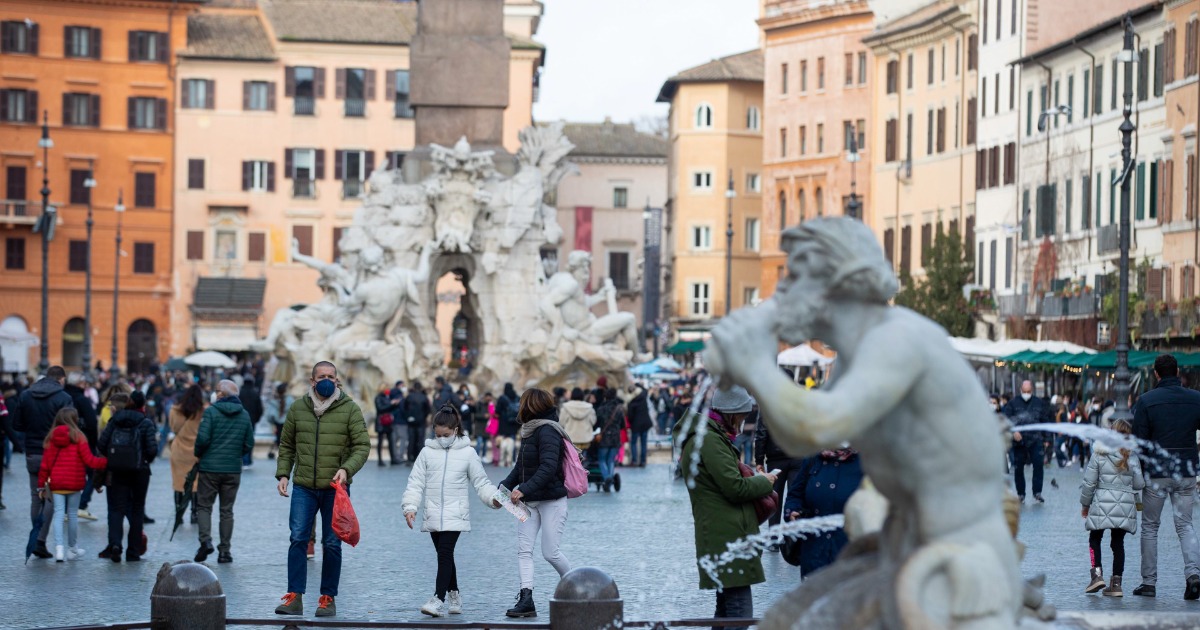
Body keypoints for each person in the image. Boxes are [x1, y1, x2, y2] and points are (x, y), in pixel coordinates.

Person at [675, 385, 777, 629]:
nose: (743, 422)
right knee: (739, 612)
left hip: (724, 533)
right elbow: (734, 488)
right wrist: (764, 482)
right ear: (732, 415)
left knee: (726, 610)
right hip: (727, 536)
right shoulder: (710, 440)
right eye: (742, 416)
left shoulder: (712, 437)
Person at [275, 361, 370, 618]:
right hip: (304, 486)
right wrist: (283, 473)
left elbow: (362, 445)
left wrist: (347, 469)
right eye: (322, 376)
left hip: (335, 488)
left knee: (332, 543)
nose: (326, 380)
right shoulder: (298, 408)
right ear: (312, 380)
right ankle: (294, 596)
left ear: (337, 381)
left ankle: (328, 598)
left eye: (331, 376)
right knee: (297, 538)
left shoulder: (349, 409)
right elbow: (286, 445)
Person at [402, 405, 501, 617]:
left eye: (445, 435)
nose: (441, 438)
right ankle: (455, 593)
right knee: (444, 555)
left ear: (455, 430)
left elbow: (481, 482)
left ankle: (438, 598)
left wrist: (493, 499)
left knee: (445, 554)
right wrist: (410, 507)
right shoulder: (427, 452)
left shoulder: (468, 453)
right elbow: (415, 482)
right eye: (437, 435)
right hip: (433, 513)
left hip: (456, 513)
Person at [500, 388, 574, 618]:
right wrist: (503, 488)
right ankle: (526, 599)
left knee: (550, 553)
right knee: (524, 550)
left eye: (523, 402)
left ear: (531, 405)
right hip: (529, 503)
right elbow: (520, 466)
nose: (519, 406)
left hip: (552, 500)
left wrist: (523, 489)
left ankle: (577, 587)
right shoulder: (529, 430)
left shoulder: (548, 431)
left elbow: (548, 467)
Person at [1131, 353, 1200, 599]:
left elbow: (1139, 441)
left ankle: (1149, 583)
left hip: (1157, 474)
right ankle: (1193, 575)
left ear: (1156, 373)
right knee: (1185, 525)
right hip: (1186, 471)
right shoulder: (1196, 399)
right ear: (1178, 371)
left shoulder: (1147, 400)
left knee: (1150, 527)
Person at [11, 365, 75, 559]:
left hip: (32, 452)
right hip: (55, 452)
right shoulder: (63, 397)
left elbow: (17, 424)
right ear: (61, 379)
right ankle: (39, 539)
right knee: (53, 497)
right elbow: (72, 424)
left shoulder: (26, 395)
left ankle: (37, 535)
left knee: (35, 496)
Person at [194, 379, 255, 564]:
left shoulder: (211, 412)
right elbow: (249, 443)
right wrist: (236, 455)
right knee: (226, 510)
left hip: (209, 468)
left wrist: (199, 454)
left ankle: (205, 541)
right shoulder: (244, 415)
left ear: (220, 394)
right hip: (232, 469)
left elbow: (202, 439)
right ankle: (225, 551)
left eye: (216, 390)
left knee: (204, 506)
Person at [1080, 418, 1144, 597]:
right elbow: (1139, 484)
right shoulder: (1133, 456)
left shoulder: (1099, 453)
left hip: (1101, 503)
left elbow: (1089, 483)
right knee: (1118, 544)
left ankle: (1096, 575)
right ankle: (1116, 584)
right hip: (1124, 507)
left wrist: (1085, 505)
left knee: (1095, 539)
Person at [37, 408, 107, 562]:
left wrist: (41, 485)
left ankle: (59, 550)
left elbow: (45, 466)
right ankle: (72, 549)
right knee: (73, 515)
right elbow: (89, 460)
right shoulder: (79, 437)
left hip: (56, 483)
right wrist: (106, 461)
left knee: (58, 514)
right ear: (74, 420)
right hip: (74, 483)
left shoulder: (51, 438)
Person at [781, 446, 863, 576]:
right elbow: (795, 494)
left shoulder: (866, 461)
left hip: (848, 551)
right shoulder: (814, 457)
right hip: (814, 550)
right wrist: (792, 510)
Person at [97, 392, 158, 562]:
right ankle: (133, 551)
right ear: (143, 405)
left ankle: (116, 544)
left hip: (117, 470)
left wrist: (115, 456)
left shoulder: (115, 419)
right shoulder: (146, 422)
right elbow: (152, 450)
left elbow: (101, 444)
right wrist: (145, 459)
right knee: (137, 510)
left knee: (117, 509)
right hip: (140, 471)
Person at [755, 405, 807, 535]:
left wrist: (759, 460)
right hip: (797, 456)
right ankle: (792, 537)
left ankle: (773, 537)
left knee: (774, 497)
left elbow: (761, 433)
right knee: (795, 496)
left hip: (775, 459)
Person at [1002, 380, 1052, 504]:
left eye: (1028, 391)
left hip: (1036, 439)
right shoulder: (1013, 403)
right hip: (1019, 441)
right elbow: (1006, 420)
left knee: (1038, 465)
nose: (1026, 394)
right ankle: (1020, 494)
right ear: (1020, 390)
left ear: (1032, 391)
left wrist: (1047, 439)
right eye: (1024, 391)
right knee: (1018, 468)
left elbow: (1045, 421)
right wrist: (1013, 432)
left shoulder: (1039, 403)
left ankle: (1037, 492)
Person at [64, 372, 100, 522]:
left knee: (68, 474)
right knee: (92, 474)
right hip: (83, 441)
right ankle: (81, 504)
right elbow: (92, 423)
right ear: (80, 384)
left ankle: (67, 507)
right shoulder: (82, 400)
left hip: (65, 441)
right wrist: (93, 443)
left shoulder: (63, 398)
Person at [170, 384, 205, 526]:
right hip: (195, 451)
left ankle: (179, 513)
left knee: (178, 482)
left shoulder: (175, 410)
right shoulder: (203, 411)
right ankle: (194, 513)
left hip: (179, 450)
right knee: (195, 483)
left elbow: (174, 428)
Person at [595, 388, 624, 492]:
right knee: (611, 460)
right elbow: (623, 425)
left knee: (602, 460)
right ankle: (610, 478)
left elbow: (597, 424)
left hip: (604, 438)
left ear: (605, 397)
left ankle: (607, 477)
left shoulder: (601, 409)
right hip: (616, 437)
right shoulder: (619, 408)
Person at [238, 378, 264, 469]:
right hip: (252, 420)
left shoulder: (240, 393)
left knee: (241, 440)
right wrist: (256, 419)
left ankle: (241, 459)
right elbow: (260, 409)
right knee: (249, 440)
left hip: (240, 420)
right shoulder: (255, 393)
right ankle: (247, 460)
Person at [404, 381, 432, 465]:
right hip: (421, 421)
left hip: (411, 422)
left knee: (411, 440)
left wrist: (408, 417)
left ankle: (409, 458)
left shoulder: (409, 397)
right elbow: (428, 409)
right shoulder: (424, 397)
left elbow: (404, 408)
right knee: (420, 440)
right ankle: (419, 458)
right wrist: (423, 416)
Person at [263, 383, 293, 460]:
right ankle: (285, 452)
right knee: (286, 438)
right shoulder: (290, 400)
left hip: (277, 422)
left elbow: (270, 414)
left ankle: (275, 450)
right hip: (287, 422)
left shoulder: (274, 400)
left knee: (278, 437)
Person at [374, 383, 401, 466]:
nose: (388, 390)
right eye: (387, 388)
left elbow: (389, 408)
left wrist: (395, 404)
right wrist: (391, 404)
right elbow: (380, 408)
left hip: (388, 422)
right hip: (381, 422)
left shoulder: (387, 397)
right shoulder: (378, 397)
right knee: (380, 441)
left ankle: (393, 459)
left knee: (391, 441)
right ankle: (380, 460)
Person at [626, 385, 653, 467]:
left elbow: (630, 416)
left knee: (633, 443)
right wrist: (637, 384)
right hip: (645, 424)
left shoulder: (631, 402)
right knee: (643, 443)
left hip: (636, 425)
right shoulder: (643, 397)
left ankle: (634, 460)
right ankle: (643, 461)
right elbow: (645, 389)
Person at [494, 383, 520, 466]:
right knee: (512, 443)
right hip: (514, 424)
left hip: (503, 424)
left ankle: (503, 460)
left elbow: (497, 411)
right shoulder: (517, 397)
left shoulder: (502, 398)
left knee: (503, 443)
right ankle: (512, 461)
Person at [472, 392, 493, 457]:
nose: (489, 399)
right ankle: (477, 456)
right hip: (479, 427)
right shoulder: (479, 404)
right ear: (485, 397)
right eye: (488, 397)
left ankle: (484, 456)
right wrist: (484, 416)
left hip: (487, 427)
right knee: (479, 442)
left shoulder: (490, 406)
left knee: (485, 443)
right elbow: (475, 415)